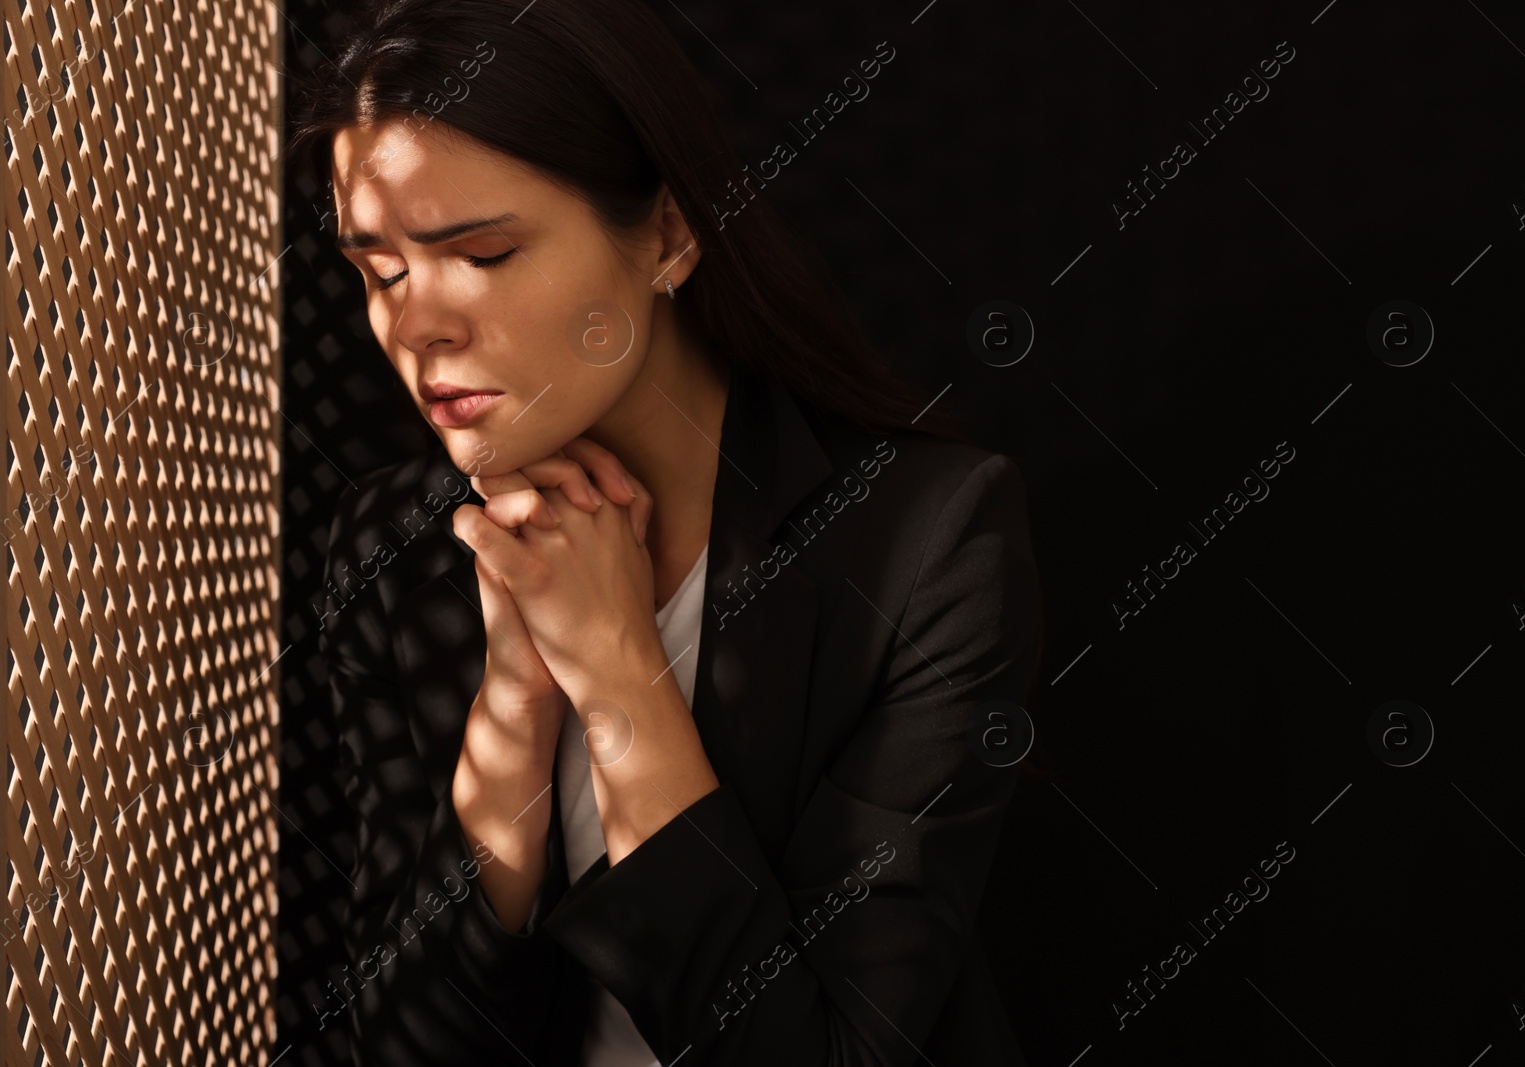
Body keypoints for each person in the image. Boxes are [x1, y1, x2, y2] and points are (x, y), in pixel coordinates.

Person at [289, 1, 1044, 1063]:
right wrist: (514, 702)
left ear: (670, 235)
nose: (418, 325)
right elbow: (414, 1046)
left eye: (486, 253)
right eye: (378, 272)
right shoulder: (397, 547)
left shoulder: (924, 539)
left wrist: (616, 673)